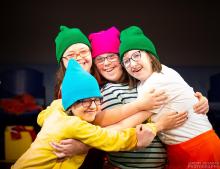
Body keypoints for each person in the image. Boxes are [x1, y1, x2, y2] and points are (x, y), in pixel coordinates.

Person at [52, 26, 210, 169]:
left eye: (113, 57)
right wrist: (83, 146)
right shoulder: (95, 93)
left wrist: (197, 100)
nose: (107, 63)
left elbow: (173, 95)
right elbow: (99, 125)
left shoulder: (142, 84)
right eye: (100, 58)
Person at [12, 59, 162, 169]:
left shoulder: (57, 110)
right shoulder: (73, 124)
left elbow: (42, 116)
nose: (93, 107)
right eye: (85, 101)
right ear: (71, 104)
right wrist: (140, 137)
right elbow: (111, 139)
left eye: (97, 100)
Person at [119, 25, 220, 169]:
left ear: (150, 55)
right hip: (179, 149)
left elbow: (128, 123)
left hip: (199, 147)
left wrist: (94, 134)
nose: (132, 64)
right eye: (126, 60)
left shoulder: (156, 81)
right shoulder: (147, 81)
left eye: (136, 55)